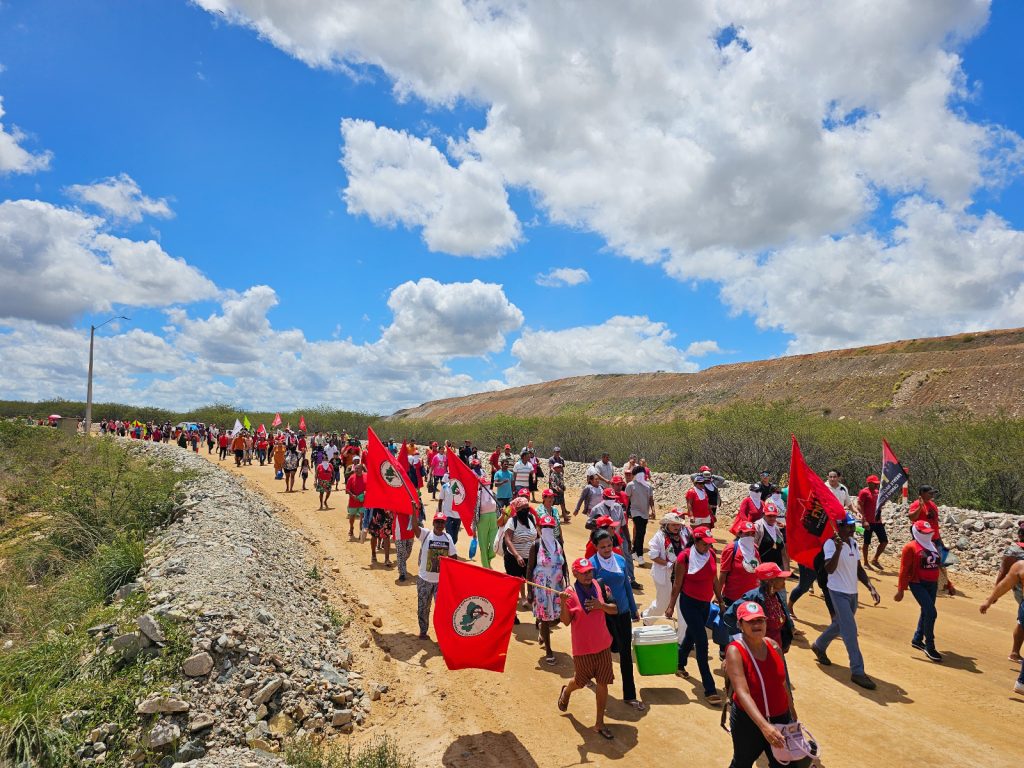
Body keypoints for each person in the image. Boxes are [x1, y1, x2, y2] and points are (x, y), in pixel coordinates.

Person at [725, 601, 811, 768]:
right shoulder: (735, 651)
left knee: (785, 764)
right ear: (740, 625)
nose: (757, 625)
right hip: (749, 723)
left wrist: (791, 710)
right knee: (742, 763)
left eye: (760, 620)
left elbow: (783, 682)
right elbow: (742, 693)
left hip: (781, 719)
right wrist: (764, 726)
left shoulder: (774, 646)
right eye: (750, 621)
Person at [810, 513, 881, 689]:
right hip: (837, 592)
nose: (852, 529)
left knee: (840, 624)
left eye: (852, 526)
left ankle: (819, 645)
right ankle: (858, 671)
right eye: (848, 526)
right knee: (850, 631)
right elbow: (829, 569)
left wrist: (870, 586)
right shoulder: (830, 544)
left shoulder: (853, 543)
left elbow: (858, 568)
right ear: (839, 527)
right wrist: (838, 550)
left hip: (852, 593)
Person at [558, 557, 618, 739]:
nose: (588, 575)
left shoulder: (600, 586)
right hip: (583, 649)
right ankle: (567, 691)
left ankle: (599, 723)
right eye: (583, 573)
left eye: (590, 571)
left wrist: (601, 606)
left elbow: (614, 609)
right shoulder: (569, 593)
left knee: (603, 682)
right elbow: (565, 621)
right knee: (580, 682)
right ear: (575, 574)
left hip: (603, 645)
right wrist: (563, 603)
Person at [666, 525, 722, 703]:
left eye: (709, 543)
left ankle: (679, 664)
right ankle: (709, 688)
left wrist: (721, 601)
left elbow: (714, 579)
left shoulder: (711, 554)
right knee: (702, 641)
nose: (708, 546)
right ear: (695, 541)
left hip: (705, 605)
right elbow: (677, 584)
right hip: (689, 604)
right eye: (704, 543)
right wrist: (670, 606)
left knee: (691, 634)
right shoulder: (684, 557)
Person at [589, 530, 644, 711]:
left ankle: (630, 694)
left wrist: (634, 609)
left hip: (623, 613)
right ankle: (587, 675)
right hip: (603, 616)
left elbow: (627, 586)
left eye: (609, 545)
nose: (607, 549)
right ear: (595, 547)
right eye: (602, 547)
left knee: (626, 654)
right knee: (601, 653)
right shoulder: (591, 565)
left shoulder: (620, 560)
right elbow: (587, 592)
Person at [894, 520, 943, 662]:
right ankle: (930, 646)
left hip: (932, 584)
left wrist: (948, 584)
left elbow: (938, 565)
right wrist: (901, 590)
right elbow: (904, 570)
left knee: (926, 611)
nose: (927, 535)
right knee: (931, 613)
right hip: (918, 583)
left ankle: (917, 639)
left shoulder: (933, 545)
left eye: (929, 533)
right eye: (924, 533)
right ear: (916, 532)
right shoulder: (910, 547)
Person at [723, 563, 794, 652]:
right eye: (781, 578)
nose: (784, 580)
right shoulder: (752, 597)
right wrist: (741, 639)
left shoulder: (777, 596)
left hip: (776, 647)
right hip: (758, 649)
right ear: (770, 581)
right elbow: (729, 615)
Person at [527, 515, 569, 664]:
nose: (547, 530)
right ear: (539, 528)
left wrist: (567, 583)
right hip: (542, 588)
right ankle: (549, 651)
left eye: (550, 527)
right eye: (545, 527)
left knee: (557, 617)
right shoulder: (536, 545)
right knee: (545, 617)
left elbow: (564, 565)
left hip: (557, 587)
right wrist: (529, 591)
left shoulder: (558, 544)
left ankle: (542, 629)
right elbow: (530, 568)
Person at [979, 558, 1024, 695]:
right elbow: (1005, 584)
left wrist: (989, 601)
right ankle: (1022, 683)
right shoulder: (1020, 566)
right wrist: (989, 601)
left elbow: (1005, 585)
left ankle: (1022, 683)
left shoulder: (1020, 566)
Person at [415, 513, 458, 639]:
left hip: (440, 582)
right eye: (437, 522)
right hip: (424, 580)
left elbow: (454, 557)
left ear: (445, 524)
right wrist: (413, 512)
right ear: (433, 523)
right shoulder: (426, 534)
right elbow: (415, 528)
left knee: (442, 610)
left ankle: (442, 635)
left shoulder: (448, 538)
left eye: (442, 522)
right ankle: (423, 631)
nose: (439, 524)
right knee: (423, 607)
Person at [907, 485, 955, 595]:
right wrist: (920, 507)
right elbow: (912, 518)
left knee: (939, 562)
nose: (932, 495)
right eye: (930, 493)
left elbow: (935, 524)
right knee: (926, 562)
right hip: (923, 540)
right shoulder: (916, 504)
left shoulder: (933, 505)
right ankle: (917, 581)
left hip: (935, 538)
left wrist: (940, 540)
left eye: (933, 493)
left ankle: (943, 585)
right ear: (922, 493)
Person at [501, 497, 539, 617]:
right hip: (513, 559)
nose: (526, 511)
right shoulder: (512, 522)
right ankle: (512, 614)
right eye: (523, 509)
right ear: (517, 510)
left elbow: (538, 535)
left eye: (527, 508)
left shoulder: (531, 519)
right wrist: (517, 556)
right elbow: (507, 539)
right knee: (514, 585)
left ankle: (537, 612)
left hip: (530, 559)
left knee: (533, 583)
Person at [994, 522, 1024, 662]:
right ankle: (1014, 653)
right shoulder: (1014, 551)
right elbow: (1004, 572)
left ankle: (1015, 653)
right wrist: (995, 593)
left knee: (1022, 620)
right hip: (1021, 590)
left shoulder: (1012, 551)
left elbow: (1003, 572)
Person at [721, 522, 761, 609]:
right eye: (747, 534)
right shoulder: (731, 548)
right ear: (739, 534)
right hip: (733, 598)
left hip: (751, 598)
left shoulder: (755, 549)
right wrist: (718, 596)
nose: (750, 537)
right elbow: (723, 573)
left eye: (752, 534)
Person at [626, 467, 655, 565]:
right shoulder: (630, 485)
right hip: (635, 511)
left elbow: (651, 499)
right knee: (640, 532)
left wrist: (653, 510)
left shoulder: (648, 485)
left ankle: (634, 551)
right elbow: (627, 499)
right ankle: (640, 555)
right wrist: (625, 511)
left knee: (641, 532)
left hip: (645, 512)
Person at [858, 475, 886, 568]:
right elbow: (859, 505)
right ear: (869, 483)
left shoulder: (878, 492)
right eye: (874, 484)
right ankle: (866, 562)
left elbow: (880, 505)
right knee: (867, 542)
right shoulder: (864, 492)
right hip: (868, 521)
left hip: (878, 521)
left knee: (884, 541)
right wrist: (864, 519)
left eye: (877, 484)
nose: (876, 485)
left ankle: (875, 559)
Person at [438, 475, 462, 544]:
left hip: (458, 515)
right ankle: (449, 549)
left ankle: (450, 547)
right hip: (447, 514)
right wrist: (440, 513)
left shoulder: (461, 487)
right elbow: (440, 500)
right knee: (449, 535)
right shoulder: (445, 487)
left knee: (455, 538)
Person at [345, 462, 366, 538]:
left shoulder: (366, 476)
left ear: (362, 469)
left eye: (358, 468)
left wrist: (366, 493)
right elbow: (347, 489)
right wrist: (352, 495)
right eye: (355, 468)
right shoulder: (351, 477)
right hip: (353, 501)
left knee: (362, 517)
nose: (356, 470)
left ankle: (361, 532)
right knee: (352, 517)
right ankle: (351, 527)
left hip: (363, 501)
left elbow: (370, 488)